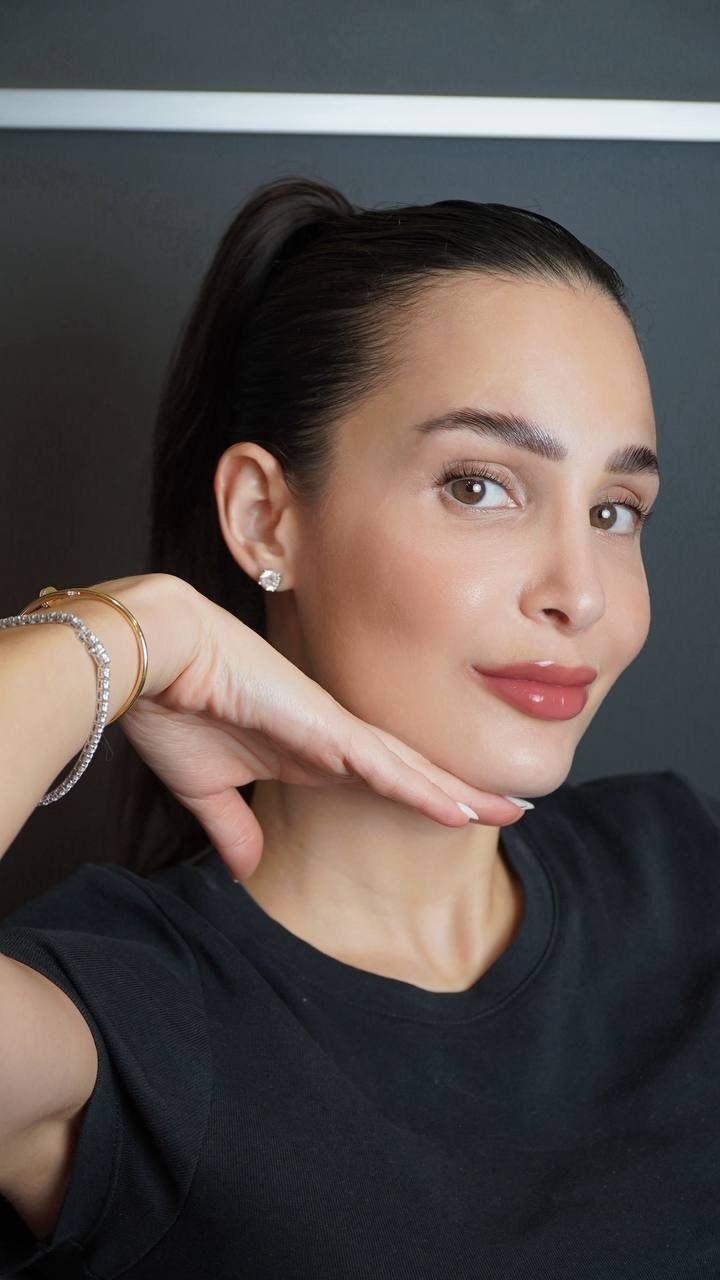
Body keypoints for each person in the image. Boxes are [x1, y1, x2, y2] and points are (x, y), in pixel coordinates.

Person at [0, 176, 718, 1279]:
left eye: (614, 510)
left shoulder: (678, 867)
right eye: (479, 486)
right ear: (265, 518)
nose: (581, 593)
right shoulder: (125, 1013)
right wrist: (127, 633)